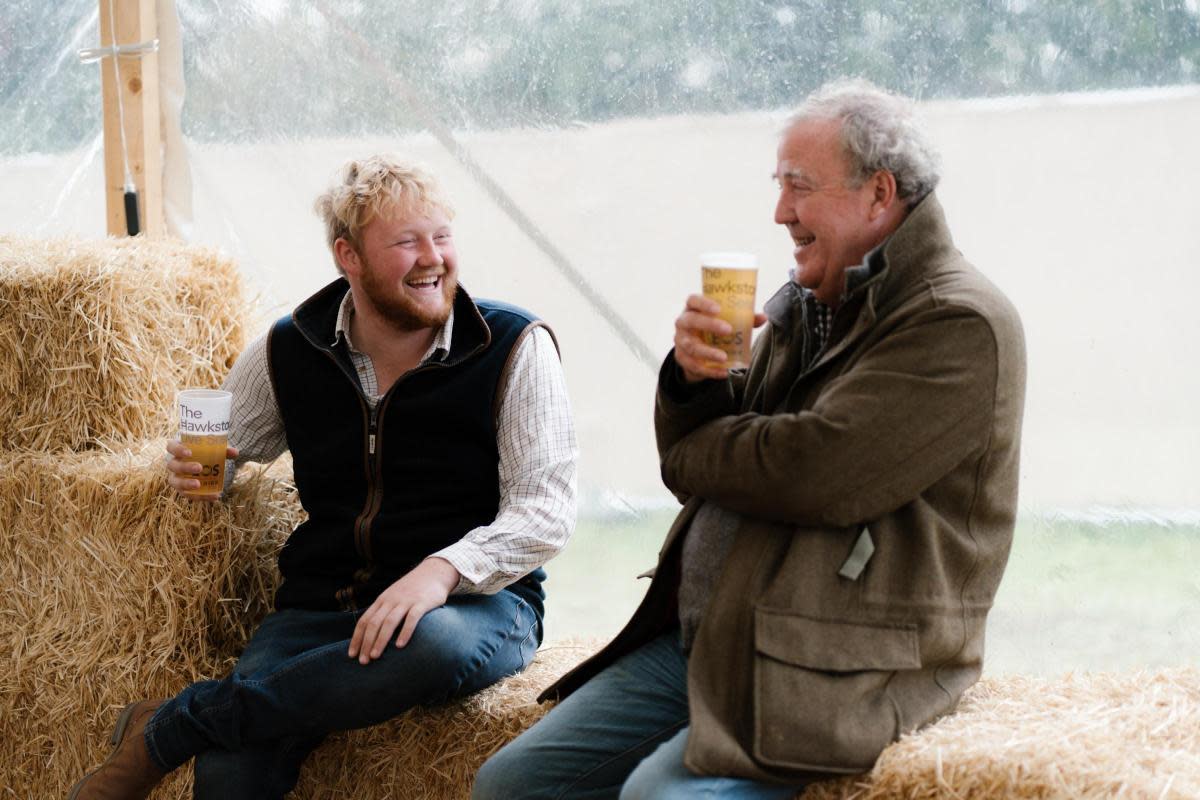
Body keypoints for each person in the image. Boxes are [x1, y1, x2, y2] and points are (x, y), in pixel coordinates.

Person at [473, 79, 1026, 799]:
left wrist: (695, 447)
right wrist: (693, 381)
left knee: (655, 797)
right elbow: (723, 463)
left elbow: (813, 475)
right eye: (778, 185)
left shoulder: (958, 323)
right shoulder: (806, 302)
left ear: (879, 194)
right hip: (720, 636)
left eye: (799, 186)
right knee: (511, 785)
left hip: (834, 659)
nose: (780, 212)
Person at [68, 154, 578, 800]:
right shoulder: (290, 346)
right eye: (405, 242)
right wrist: (203, 472)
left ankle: (172, 727)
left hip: (472, 607)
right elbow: (225, 455)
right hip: (321, 607)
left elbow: (546, 512)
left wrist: (439, 572)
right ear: (349, 256)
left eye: (442, 236)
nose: (433, 258)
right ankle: (205, 727)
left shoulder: (512, 345)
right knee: (231, 772)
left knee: (430, 645)